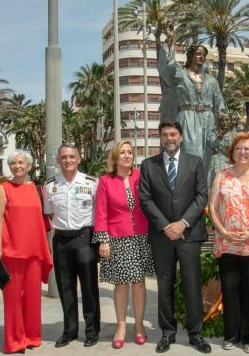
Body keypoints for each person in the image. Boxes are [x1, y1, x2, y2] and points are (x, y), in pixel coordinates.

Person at [138, 120, 211, 354]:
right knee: (164, 286)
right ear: (160, 138)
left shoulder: (196, 162)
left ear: (180, 137)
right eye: (164, 135)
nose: (169, 138)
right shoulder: (148, 165)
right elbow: (145, 199)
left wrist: (182, 223)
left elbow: (202, 196)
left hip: (189, 234)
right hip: (162, 237)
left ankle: (196, 334)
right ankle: (167, 333)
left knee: (192, 285)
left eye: (173, 134)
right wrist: (165, 226)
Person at [208, 133, 249, 353]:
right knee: (229, 289)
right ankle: (230, 335)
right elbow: (213, 208)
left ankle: (248, 337)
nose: (243, 152)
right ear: (232, 153)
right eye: (239, 149)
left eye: (247, 149)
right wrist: (224, 231)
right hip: (228, 243)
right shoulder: (222, 176)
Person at [93, 140, 155, 349]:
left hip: (141, 236)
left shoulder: (141, 176)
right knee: (121, 284)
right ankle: (121, 326)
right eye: (123, 152)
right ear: (115, 157)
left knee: (138, 282)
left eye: (130, 152)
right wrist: (103, 239)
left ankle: (138, 324)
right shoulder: (105, 181)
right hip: (117, 237)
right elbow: (100, 212)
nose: (127, 155)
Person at [0, 150, 54, 353]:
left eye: (21, 163)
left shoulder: (38, 190)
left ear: (29, 166)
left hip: (35, 251)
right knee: (12, 299)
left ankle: (32, 337)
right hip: (11, 252)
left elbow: (45, 220)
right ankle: (14, 341)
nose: (17, 166)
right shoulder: (3, 188)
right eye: (13, 163)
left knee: (33, 297)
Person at [43, 144, 100, 348]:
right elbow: (49, 213)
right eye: (64, 157)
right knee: (65, 287)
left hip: (85, 238)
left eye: (71, 157)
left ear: (78, 158)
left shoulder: (92, 183)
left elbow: (99, 213)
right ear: (58, 160)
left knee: (89, 287)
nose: (67, 160)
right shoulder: (50, 185)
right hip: (61, 241)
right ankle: (69, 331)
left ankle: (92, 331)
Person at [158, 25, 226, 172]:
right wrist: (170, 41)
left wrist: (224, 122)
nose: (201, 57)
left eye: (203, 55)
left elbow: (220, 105)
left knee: (209, 162)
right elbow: (168, 68)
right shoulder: (181, 75)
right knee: (190, 160)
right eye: (198, 53)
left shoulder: (211, 81)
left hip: (208, 123)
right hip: (188, 121)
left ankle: (206, 194)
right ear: (191, 56)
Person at [208, 113, 239, 186]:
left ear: (231, 121)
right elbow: (212, 145)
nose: (224, 122)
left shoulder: (235, 134)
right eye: (222, 120)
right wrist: (219, 137)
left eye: (227, 120)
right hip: (218, 163)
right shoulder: (214, 133)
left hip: (231, 163)